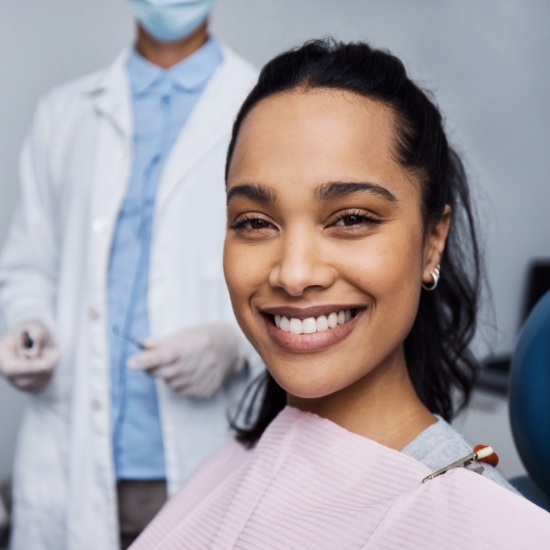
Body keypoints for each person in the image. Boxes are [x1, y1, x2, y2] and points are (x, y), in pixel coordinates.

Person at [131, 39, 550, 548]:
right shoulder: (228, 467)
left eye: (351, 218)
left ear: (431, 241)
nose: (294, 273)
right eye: (255, 222)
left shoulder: (487, 529)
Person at [0, 1, 260, 548]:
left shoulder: (263, 106)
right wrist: (31, 325)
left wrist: (237, 344)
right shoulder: (65, 113)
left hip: (204, 458)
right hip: (71, 460)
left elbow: (295, 269)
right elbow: (30, 265)